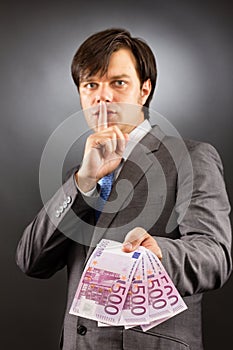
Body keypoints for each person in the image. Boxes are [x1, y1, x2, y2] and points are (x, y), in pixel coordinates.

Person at [16, 28, 232, 350]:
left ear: (143, 91)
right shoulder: (80, 175)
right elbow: (31, 260)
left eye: (118, 83)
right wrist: (82, 183)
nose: (103, 96)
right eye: (91, 84)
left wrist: (157, 252)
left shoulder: (192, 157)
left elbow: (215, 256)